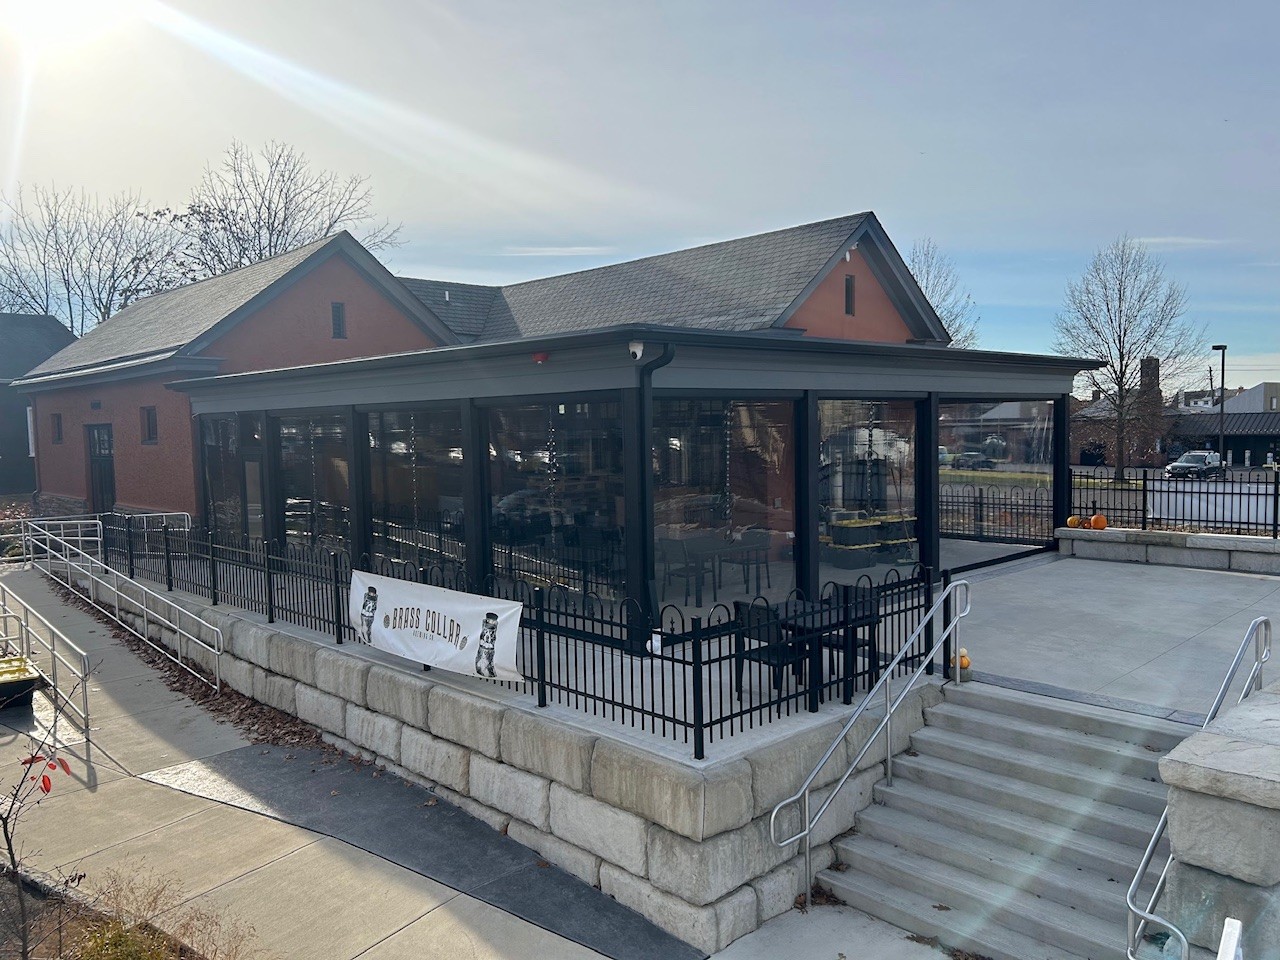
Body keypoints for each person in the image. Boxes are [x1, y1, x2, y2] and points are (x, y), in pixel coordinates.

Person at [475, 612, 498, 677]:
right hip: (483, 649)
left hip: (488, 650)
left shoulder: (493, 630)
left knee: (488, 662)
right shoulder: (485, 627)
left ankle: (487, 671)